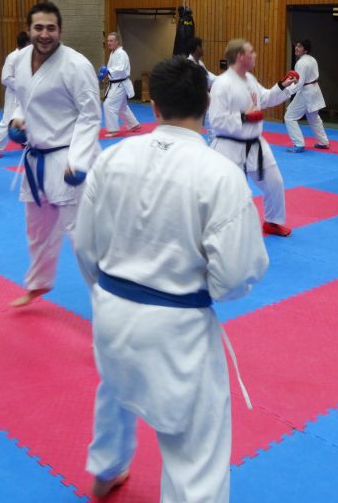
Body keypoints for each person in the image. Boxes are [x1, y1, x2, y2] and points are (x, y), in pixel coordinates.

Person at [75, 55, 269, 501]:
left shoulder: (112, 158)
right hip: (178, 325)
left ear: (153, 105)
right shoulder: (220, 174)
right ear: (207, 102)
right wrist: (210, 289)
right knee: (196, 447)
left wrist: (108, 290)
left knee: (116, 388)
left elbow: (85, 245)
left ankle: (105, 470)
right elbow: (235, 275)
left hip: (112, 312)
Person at [8, 1, 102, 307]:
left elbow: (90, 115)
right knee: (37, 229)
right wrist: (17, 120)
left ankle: (109, 306)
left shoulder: (76, 65)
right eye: (38, 28)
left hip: (67, 159)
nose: (44, 34)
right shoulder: (20, 60)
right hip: (35, 158)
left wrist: (79, 160)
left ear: (60, 30)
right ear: (28, 30)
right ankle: (38, 283)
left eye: (51, 28)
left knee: (82, 239)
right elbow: (23, 99)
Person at [208, 39, 297, 237]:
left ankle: (273, 222)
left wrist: (282, 86)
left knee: (275, 182)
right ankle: (222, 229)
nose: (255, 55)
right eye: (252, 52)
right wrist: (244, 117)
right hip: (229, 147)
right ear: (240, 56)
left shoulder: (250, 79)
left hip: (255, 144)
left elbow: (264, 98)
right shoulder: (222, 84)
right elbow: (216, 120)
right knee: (231, 193)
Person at [0, 31, 30, 158]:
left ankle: (24, 141)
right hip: (14, 96)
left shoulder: (30, 57)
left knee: (28, 119)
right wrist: (22, 85)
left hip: (27, 94)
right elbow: (5, 78)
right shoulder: (13, 57)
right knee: (8, 121)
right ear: (27, 43)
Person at [284, 39, 330, 152]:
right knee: (314, 117)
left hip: (306, 92)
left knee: (289, 117)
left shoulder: (301, 63)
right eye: (296, 46)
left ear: (305, 50)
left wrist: (286, 91)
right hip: (315, 90)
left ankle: (299, 144)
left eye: (300, 46)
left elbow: (299, 83)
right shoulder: (312, 59)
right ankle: (323, 142)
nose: (296, 48)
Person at [98, 32, 141, 137]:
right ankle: (134, 124)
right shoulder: (113, 53)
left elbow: (120, 68)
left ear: (117, 41)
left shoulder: (121, 54)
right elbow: (113, 69)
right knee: (122, 106)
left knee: (109, 105)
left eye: (111, 41)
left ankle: (113, 130)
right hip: (116, 84)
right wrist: (105, 73)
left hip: (120, 84)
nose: (109, 43)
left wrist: (108, 71)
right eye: (108, 41)